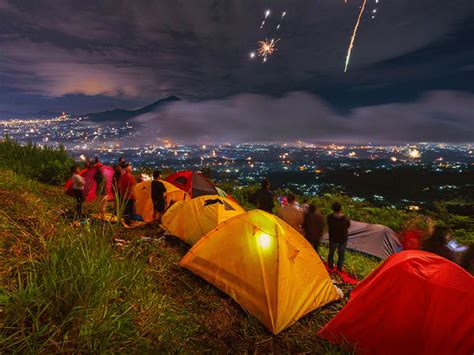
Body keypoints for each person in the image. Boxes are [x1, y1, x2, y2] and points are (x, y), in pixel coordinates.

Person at [327, 202, 350, 272]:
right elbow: (348, 226)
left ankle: (330, 267)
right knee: (341, 255)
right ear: (340, 209)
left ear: (333, 209)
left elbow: (329, 226)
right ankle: (339, 268)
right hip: (342, 239)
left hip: (333, 238)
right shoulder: (345, 219)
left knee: (331, 253)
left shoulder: (329, 218)